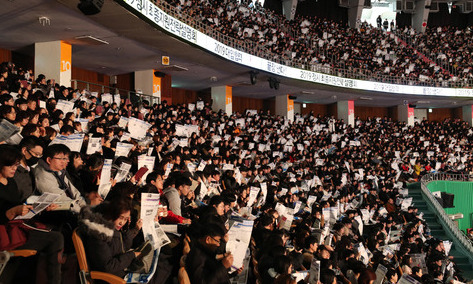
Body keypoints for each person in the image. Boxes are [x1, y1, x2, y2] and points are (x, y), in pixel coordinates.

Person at [0, 145, 63, 284]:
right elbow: (9, 210)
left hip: (16, 226)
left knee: (55, 231)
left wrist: (39, 208)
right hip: (5, 232)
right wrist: (11, 212)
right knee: (55, 238)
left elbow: (17, 205)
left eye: (16, 165)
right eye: (10, 165)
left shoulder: (10, 181)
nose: (14, 169)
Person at [78, 198, 144, 277]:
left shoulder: (113, 227)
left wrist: (129, 229)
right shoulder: (99, 233)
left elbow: (123, 247)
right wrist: (132, 255)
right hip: (111, 277)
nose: (122, 222)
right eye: (120, 218)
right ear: (112, 214)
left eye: (126, 219)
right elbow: (108, 266)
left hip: (120, 269)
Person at [34, 144, 86, 212]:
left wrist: (84, 207)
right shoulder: (42, 174)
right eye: (63, 158)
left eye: (67, 158)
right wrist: (82, 213)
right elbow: (59, 198)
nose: (68, 161)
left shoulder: (60, 171)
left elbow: (75, 193)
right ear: (49, 160)